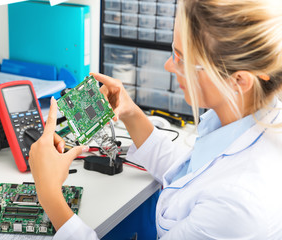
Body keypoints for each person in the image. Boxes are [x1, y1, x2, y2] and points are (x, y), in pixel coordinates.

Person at [28, 0, 282, 238]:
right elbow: (191, 175)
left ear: (239, 80)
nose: (169, 66)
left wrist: (49, 194)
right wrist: (130, 112)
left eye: (183, 59)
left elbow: (209, 187)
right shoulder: (245, 118)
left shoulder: (237, 205)